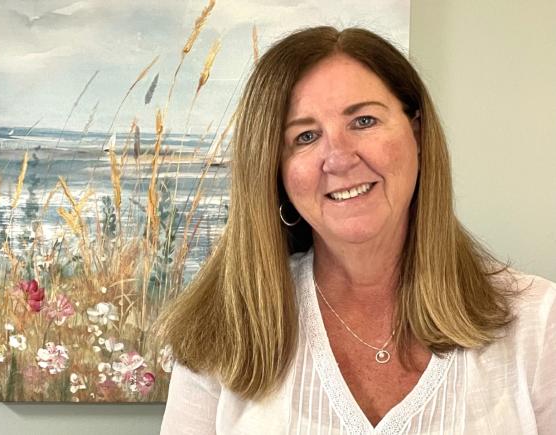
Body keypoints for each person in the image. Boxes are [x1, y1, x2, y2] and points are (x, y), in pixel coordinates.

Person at [156, 26, 555, 434]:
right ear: (273, 171)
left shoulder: (537, 323)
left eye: (364, 120)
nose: (339, 158)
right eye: (305, 136)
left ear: (416, 133)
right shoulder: (222, 329)